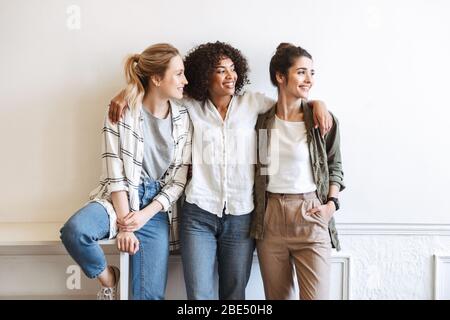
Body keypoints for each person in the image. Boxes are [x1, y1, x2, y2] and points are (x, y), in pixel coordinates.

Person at [109, 41, 332, 300]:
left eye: (233, 68)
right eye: (221, 70)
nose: (231, 75)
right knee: (200, 295)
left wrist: (319, 104)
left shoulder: (253, 103)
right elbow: (155, 92)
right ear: (205, 75)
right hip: (198, 215)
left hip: (241, 216)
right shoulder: (190, 106)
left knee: (234, 295)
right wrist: (125, 93)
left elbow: (290, 103)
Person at [60, 43, 192, 300]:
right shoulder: (120, 111)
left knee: (148, 297)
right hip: (117, 199)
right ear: (156, 78)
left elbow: (177, 182)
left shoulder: (183, 117)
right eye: (178, 73)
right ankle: (109, 278)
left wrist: (143, 216)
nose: (184, 80)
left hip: (155, 209)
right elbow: (114, 172)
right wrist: (126, 225)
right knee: (75, 232)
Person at [251, 43, 345, 300]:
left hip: (310, 214)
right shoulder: (261, 121)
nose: (309, 80)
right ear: (281, 77)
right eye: (302, 72)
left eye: (312, 73)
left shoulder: (322, 120)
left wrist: (331, 205)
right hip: (270, 218)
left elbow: (335, 165)